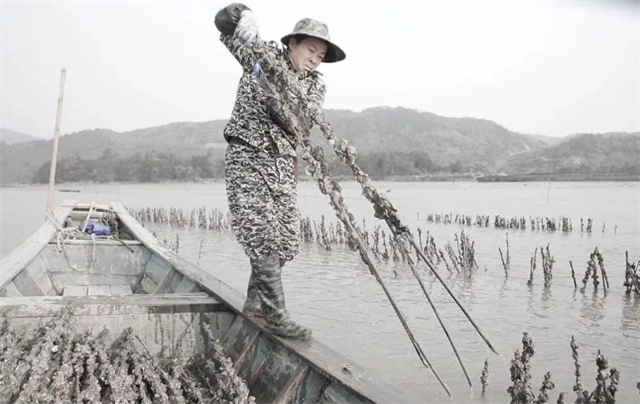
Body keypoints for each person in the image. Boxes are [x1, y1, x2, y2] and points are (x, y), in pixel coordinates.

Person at [214, 3, 346, 341]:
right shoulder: (261, 54)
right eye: (311, 49)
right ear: (292, 44)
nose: (316, 58)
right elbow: (223, 23)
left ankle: (256, 304)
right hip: (248, 154)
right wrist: (243, 14)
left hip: (283, 165)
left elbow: (297, 122)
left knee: (286, 239)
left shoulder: (314, 86)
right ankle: (276, 316)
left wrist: (274, 85)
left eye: (321, 54)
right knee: (260, 233)